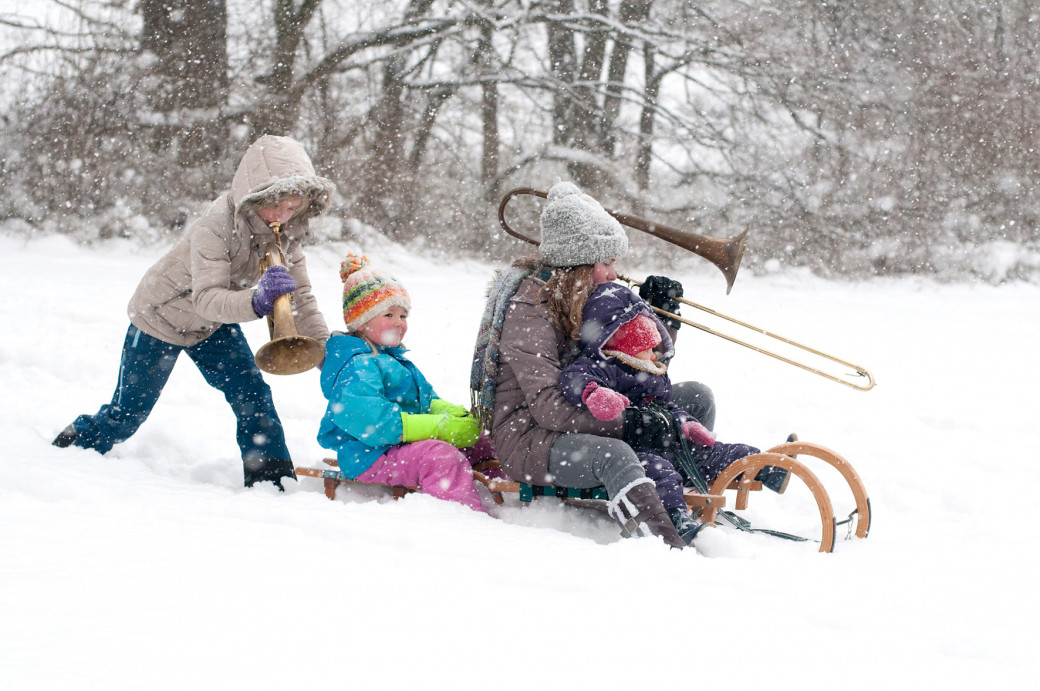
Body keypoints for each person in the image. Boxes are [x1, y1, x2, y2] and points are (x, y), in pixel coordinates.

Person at [52, 135, 335, 490]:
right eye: (275, 206)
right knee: (127, 417)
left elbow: (302, 297)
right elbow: (206, 298)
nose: (282, 217)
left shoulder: (286, 234)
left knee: (253, 395)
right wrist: (256, 302)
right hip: (159, 319)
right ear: (256, 195)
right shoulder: (215, 226)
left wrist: (325, 349)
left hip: (212, 326)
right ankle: (73, 441)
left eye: (293, 208)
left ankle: (271, 480)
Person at [472, 181, 719, 549]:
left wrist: (659, 319)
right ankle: (668, 546)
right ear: (578, 264)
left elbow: (635, 366)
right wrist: (631, 424)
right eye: (606, 263)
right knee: (615, 453)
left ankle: (671, 498)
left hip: (586, 412)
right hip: (531, 437)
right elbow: (548, 407)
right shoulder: (530, 309)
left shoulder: (582, 295)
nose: (614, 275)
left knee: (695, 398)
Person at [558, 281, 788, 544]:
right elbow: (574, 378)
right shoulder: (607, 366)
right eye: (649, 349)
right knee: (661, 473)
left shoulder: (650, 372)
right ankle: (676, 517)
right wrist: (594, 394)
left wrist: (688, 424)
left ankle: (768, 466)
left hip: (667, 439)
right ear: (627, 348)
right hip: (636, 450)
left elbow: (667, 406)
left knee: (717, 452)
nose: (656, 355)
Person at [317, 255, 495, 514]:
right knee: (439, 458)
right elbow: (376, 425)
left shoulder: (393, 359)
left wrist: (449, 413)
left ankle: (507, 494)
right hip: (370, 456)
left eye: (403, 314)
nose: (399, 322)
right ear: (361, 322)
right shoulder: (356, 365)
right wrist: (440, 428)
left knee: (483, 440)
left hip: (400, 446)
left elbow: (426, 400)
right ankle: (462, 517)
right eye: (389, 314)